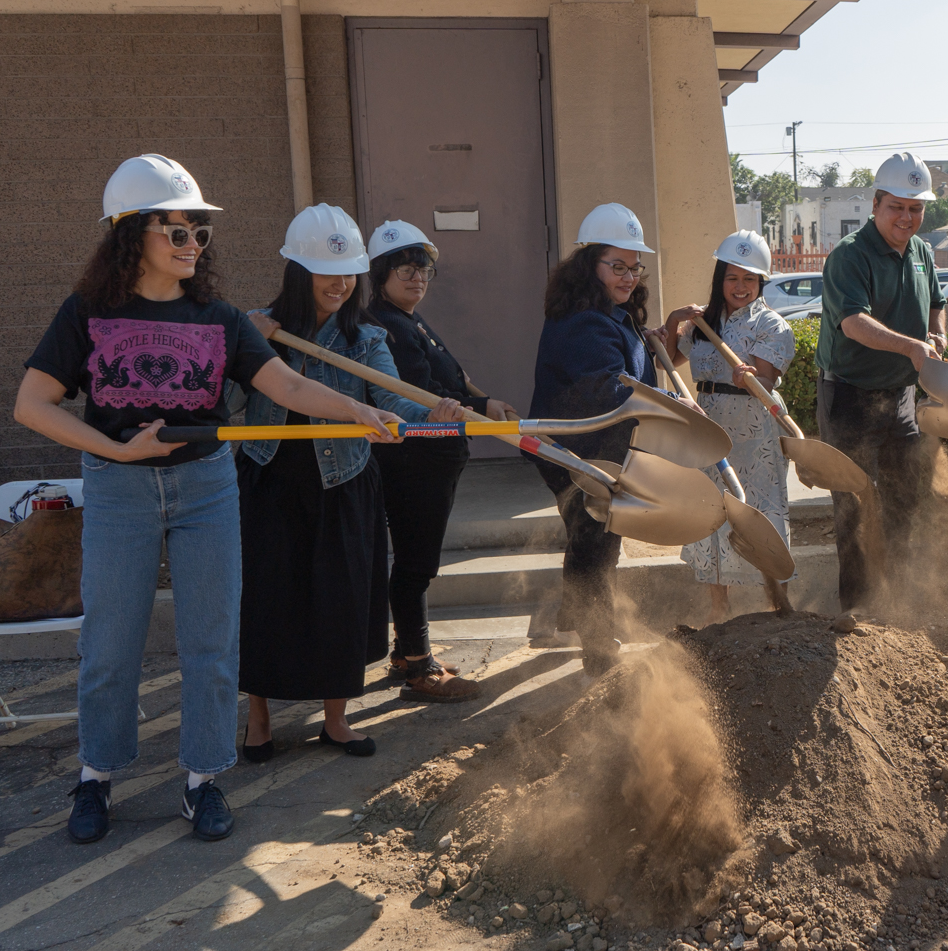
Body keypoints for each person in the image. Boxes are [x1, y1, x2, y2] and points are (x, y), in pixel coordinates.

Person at [15, 156, 404, 845]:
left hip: (205, 488)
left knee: (212, 641)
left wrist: (357, 410)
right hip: (118, 489)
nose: (194, 244)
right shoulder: (89, 313)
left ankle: (203, 781)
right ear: (131, 233)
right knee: (110, 642)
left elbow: (285, 386)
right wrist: (117, 451)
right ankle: (96, 776)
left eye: (200, 233)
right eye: (179, 231)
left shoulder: (221, 319)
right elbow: (33, 404)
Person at [236, 205, 465, 760]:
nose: (340, 284)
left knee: (341, 599)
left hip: (343, 480)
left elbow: (387, 395)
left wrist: (422, 413)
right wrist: (252, 346)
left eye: (348, 273)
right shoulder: (255, 326)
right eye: (325, 272)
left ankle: (336, 720)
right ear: (297, 271)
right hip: (268, 478)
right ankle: (258, 720)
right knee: (266, 599)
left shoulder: (364, 335)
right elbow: (222, 403)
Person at [365, 220, 515, 702]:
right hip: (416, 460)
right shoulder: (386, 327)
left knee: (416, 560)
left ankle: (406, 651)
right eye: (406, 268)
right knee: (416, 562)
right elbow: (424, 395)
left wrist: (484, 399)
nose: (417, 278)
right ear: (381, 273)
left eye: (423, 269)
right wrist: (473, 408)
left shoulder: (410, 320)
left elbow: (452, 376)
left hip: (437, 455)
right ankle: (418, 669)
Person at [528, 202, 658, 675]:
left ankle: (584, 624)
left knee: (597, 537)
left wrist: (662, 339)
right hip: (575, 451)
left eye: (634, 266)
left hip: (600, 448)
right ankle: (599, 650)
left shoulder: (608, 313)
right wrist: (671, 409)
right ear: (591, 266)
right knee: (593, 539)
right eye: (617, 266)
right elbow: (609, 386)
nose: (628, 276)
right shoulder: (584, 320)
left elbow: (629, 364)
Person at [815, 152, 947, 612]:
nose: (907, 217)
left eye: (916, 208)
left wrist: (937, 334)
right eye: (897, 206)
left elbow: (936, 301)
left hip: (902, 397)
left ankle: (898, 603)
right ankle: (856, 609)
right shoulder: (850, 255)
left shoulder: (923, 252)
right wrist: (913, 347)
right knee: (853, 506)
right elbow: (853, 323)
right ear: (876, 204)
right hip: (848, 396)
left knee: (904, 500)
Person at [654, 230, 795, 620]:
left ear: (761, 282)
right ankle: (720, 606)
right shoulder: (703, 322)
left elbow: (766, 382)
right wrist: (672, 321)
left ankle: (779, 600)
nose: (741, 287)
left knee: (761, 510)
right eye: (732, 278)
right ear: (720, 280)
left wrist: (752, 377)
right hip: (710, 422)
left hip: (755, 427)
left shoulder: (772, 325)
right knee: (713, 509)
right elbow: (668, 362)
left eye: (750, 279)